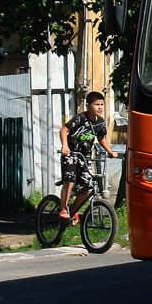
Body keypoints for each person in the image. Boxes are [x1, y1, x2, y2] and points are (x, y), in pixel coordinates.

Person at [58, 91, 119, 222]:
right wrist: (65, 146)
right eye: (96, 104)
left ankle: (73, 210)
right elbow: (64, 130)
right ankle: (63, 208)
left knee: (88, 186)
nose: (100, 107)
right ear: (88, 106)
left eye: (102, 104)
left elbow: (101, 137)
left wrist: (110, 151)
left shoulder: (100, 123)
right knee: (69, 180)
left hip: (85, 157)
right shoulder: (80, 118)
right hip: (72, 154)